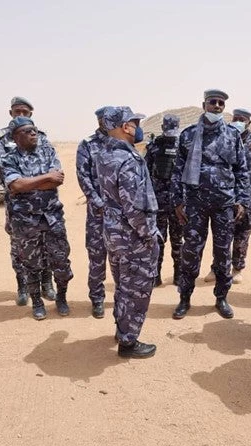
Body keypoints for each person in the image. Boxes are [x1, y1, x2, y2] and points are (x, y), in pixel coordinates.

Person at [171, 89, 250, 320]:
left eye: (221, 104)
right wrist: (177, 201)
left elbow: (241, 170)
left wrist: (242, 200)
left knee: (223, 253)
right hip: (195, 204)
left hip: (224, 204)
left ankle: (221, 298)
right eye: (213, 102)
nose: (217, 106)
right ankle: (184, 299)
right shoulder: (188, 135)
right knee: (191, 252)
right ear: (204, 104)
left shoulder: (233, 136)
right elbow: (177, 171)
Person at [96, 106, 159, 358]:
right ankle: (129, 341)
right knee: (137, 289)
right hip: (134, 237)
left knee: (123, 286)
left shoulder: (104, 154)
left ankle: (122, 329)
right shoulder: (127, 159)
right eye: (135, 122)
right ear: (125, 127)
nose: (137, 127)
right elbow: (135, 205)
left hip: (114, 234)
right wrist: (149, 233)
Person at [2, 117, 73, 320]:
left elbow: (57, 180)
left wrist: (29, 183)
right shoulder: (9, 159)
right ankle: (37, 302)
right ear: (16, 137)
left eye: (34, 130)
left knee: (60, 260)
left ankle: (61, 298)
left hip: (52, 218)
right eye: (27, 131)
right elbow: (15, 186)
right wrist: (44, 179)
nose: (33, 133)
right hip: (25, 221)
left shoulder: (48, 152)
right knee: (31, 262)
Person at [0, 97, 56, 306]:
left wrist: (28, 181)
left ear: (31, 114)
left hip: (44, 203)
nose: (20, 115)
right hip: (17, 204)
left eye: (24, 112)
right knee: (20, 246)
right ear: (10, 113)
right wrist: (36, 181)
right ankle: (23, 285)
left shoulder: (41, 136)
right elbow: (3, 171)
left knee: (47, 244)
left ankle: (47, 283)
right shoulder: (2, 137)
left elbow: (54, 173)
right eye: (16, 112)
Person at [203, 108, 251, 284]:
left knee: (242, 233)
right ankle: (216, 268)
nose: (238, 121)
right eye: (236, 118)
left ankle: (238, 268)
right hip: (226, 194)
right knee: (221, 233)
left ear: (249, 122)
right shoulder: (225, 138)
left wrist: (247, 188)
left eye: (242, 119)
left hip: (247, 196)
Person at [76, 106, 110, 318]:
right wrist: (98, 203)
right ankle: (97, 299)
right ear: (99, 121)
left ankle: (122, 298)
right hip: (98, 213)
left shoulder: (122, 143)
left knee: (122, 258)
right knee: (97, 257)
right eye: (104, 119)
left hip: (121, 213)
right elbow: (83, 176)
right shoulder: (87, 145)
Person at [144, 114, 183, 287]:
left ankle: (178, 275)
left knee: (177, 240)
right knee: (158, 240)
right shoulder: (153, 147)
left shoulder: (183, 147)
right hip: (159, 202)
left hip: (177, 204)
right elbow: (145, 172)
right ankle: (156, 276)